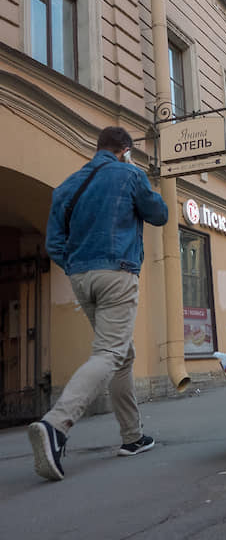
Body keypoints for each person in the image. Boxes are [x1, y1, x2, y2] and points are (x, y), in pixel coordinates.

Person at [28, 127, 169, 481]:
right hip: (117, 272)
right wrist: (137, 171)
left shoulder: (68, 185)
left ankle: (132, 437)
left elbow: (55, 243)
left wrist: (76, 268)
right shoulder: (129, 174)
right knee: (109, 352)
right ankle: (55, 425)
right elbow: (159, 214)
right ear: (124, 150)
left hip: (82, 277)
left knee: (122, 353)